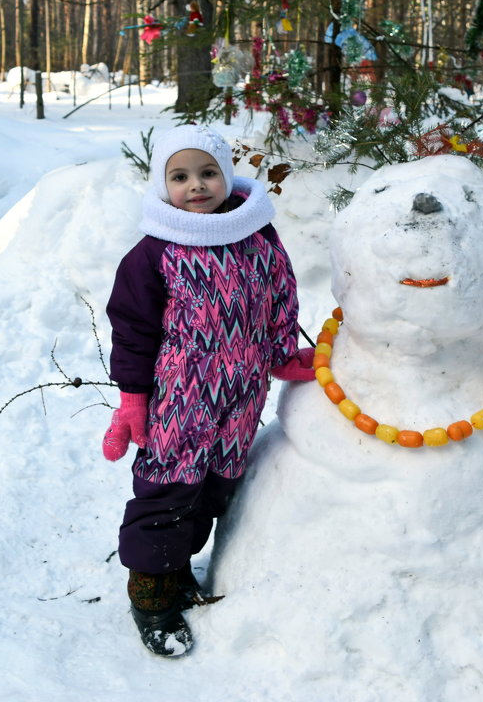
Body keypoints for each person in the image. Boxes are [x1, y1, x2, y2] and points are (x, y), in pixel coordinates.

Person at [102, 123, 315, 657]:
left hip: (243, 393)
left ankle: (176, 569)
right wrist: (133, 398)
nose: (195, 185)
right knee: (169, 487)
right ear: (162, 186)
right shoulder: (153, 254)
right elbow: (133, 328)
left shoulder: (255, 233)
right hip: (180, 397)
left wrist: (281, 352)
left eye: (207, 173)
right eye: (180, 176)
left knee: (217, 485)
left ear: (226, 176)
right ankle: (151, 594)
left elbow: (279, 294)